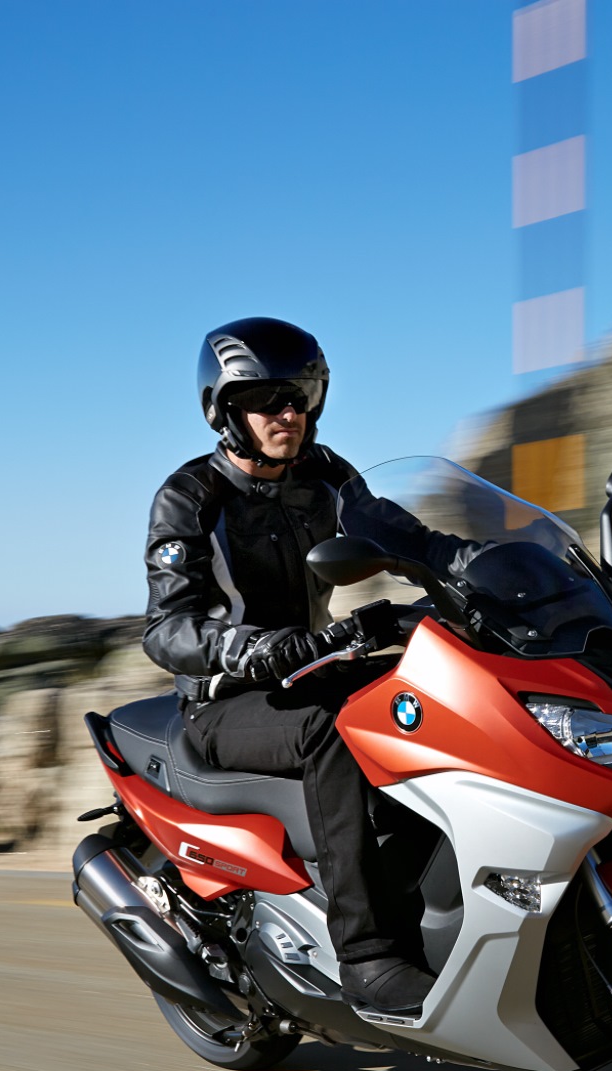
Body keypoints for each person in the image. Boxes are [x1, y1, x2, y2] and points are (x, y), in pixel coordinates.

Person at [141, 316, 441, 1015]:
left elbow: (406, 537)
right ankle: (366, 957)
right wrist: (250, 647)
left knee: (429, 696)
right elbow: (165, 628)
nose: (288, 413)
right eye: (266, 399)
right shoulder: (190, 497)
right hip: (225, 702)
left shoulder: (327, 476)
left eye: (300, 396)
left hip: (311, 670)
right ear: (224, 409)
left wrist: (475, 563)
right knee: (332, 731)